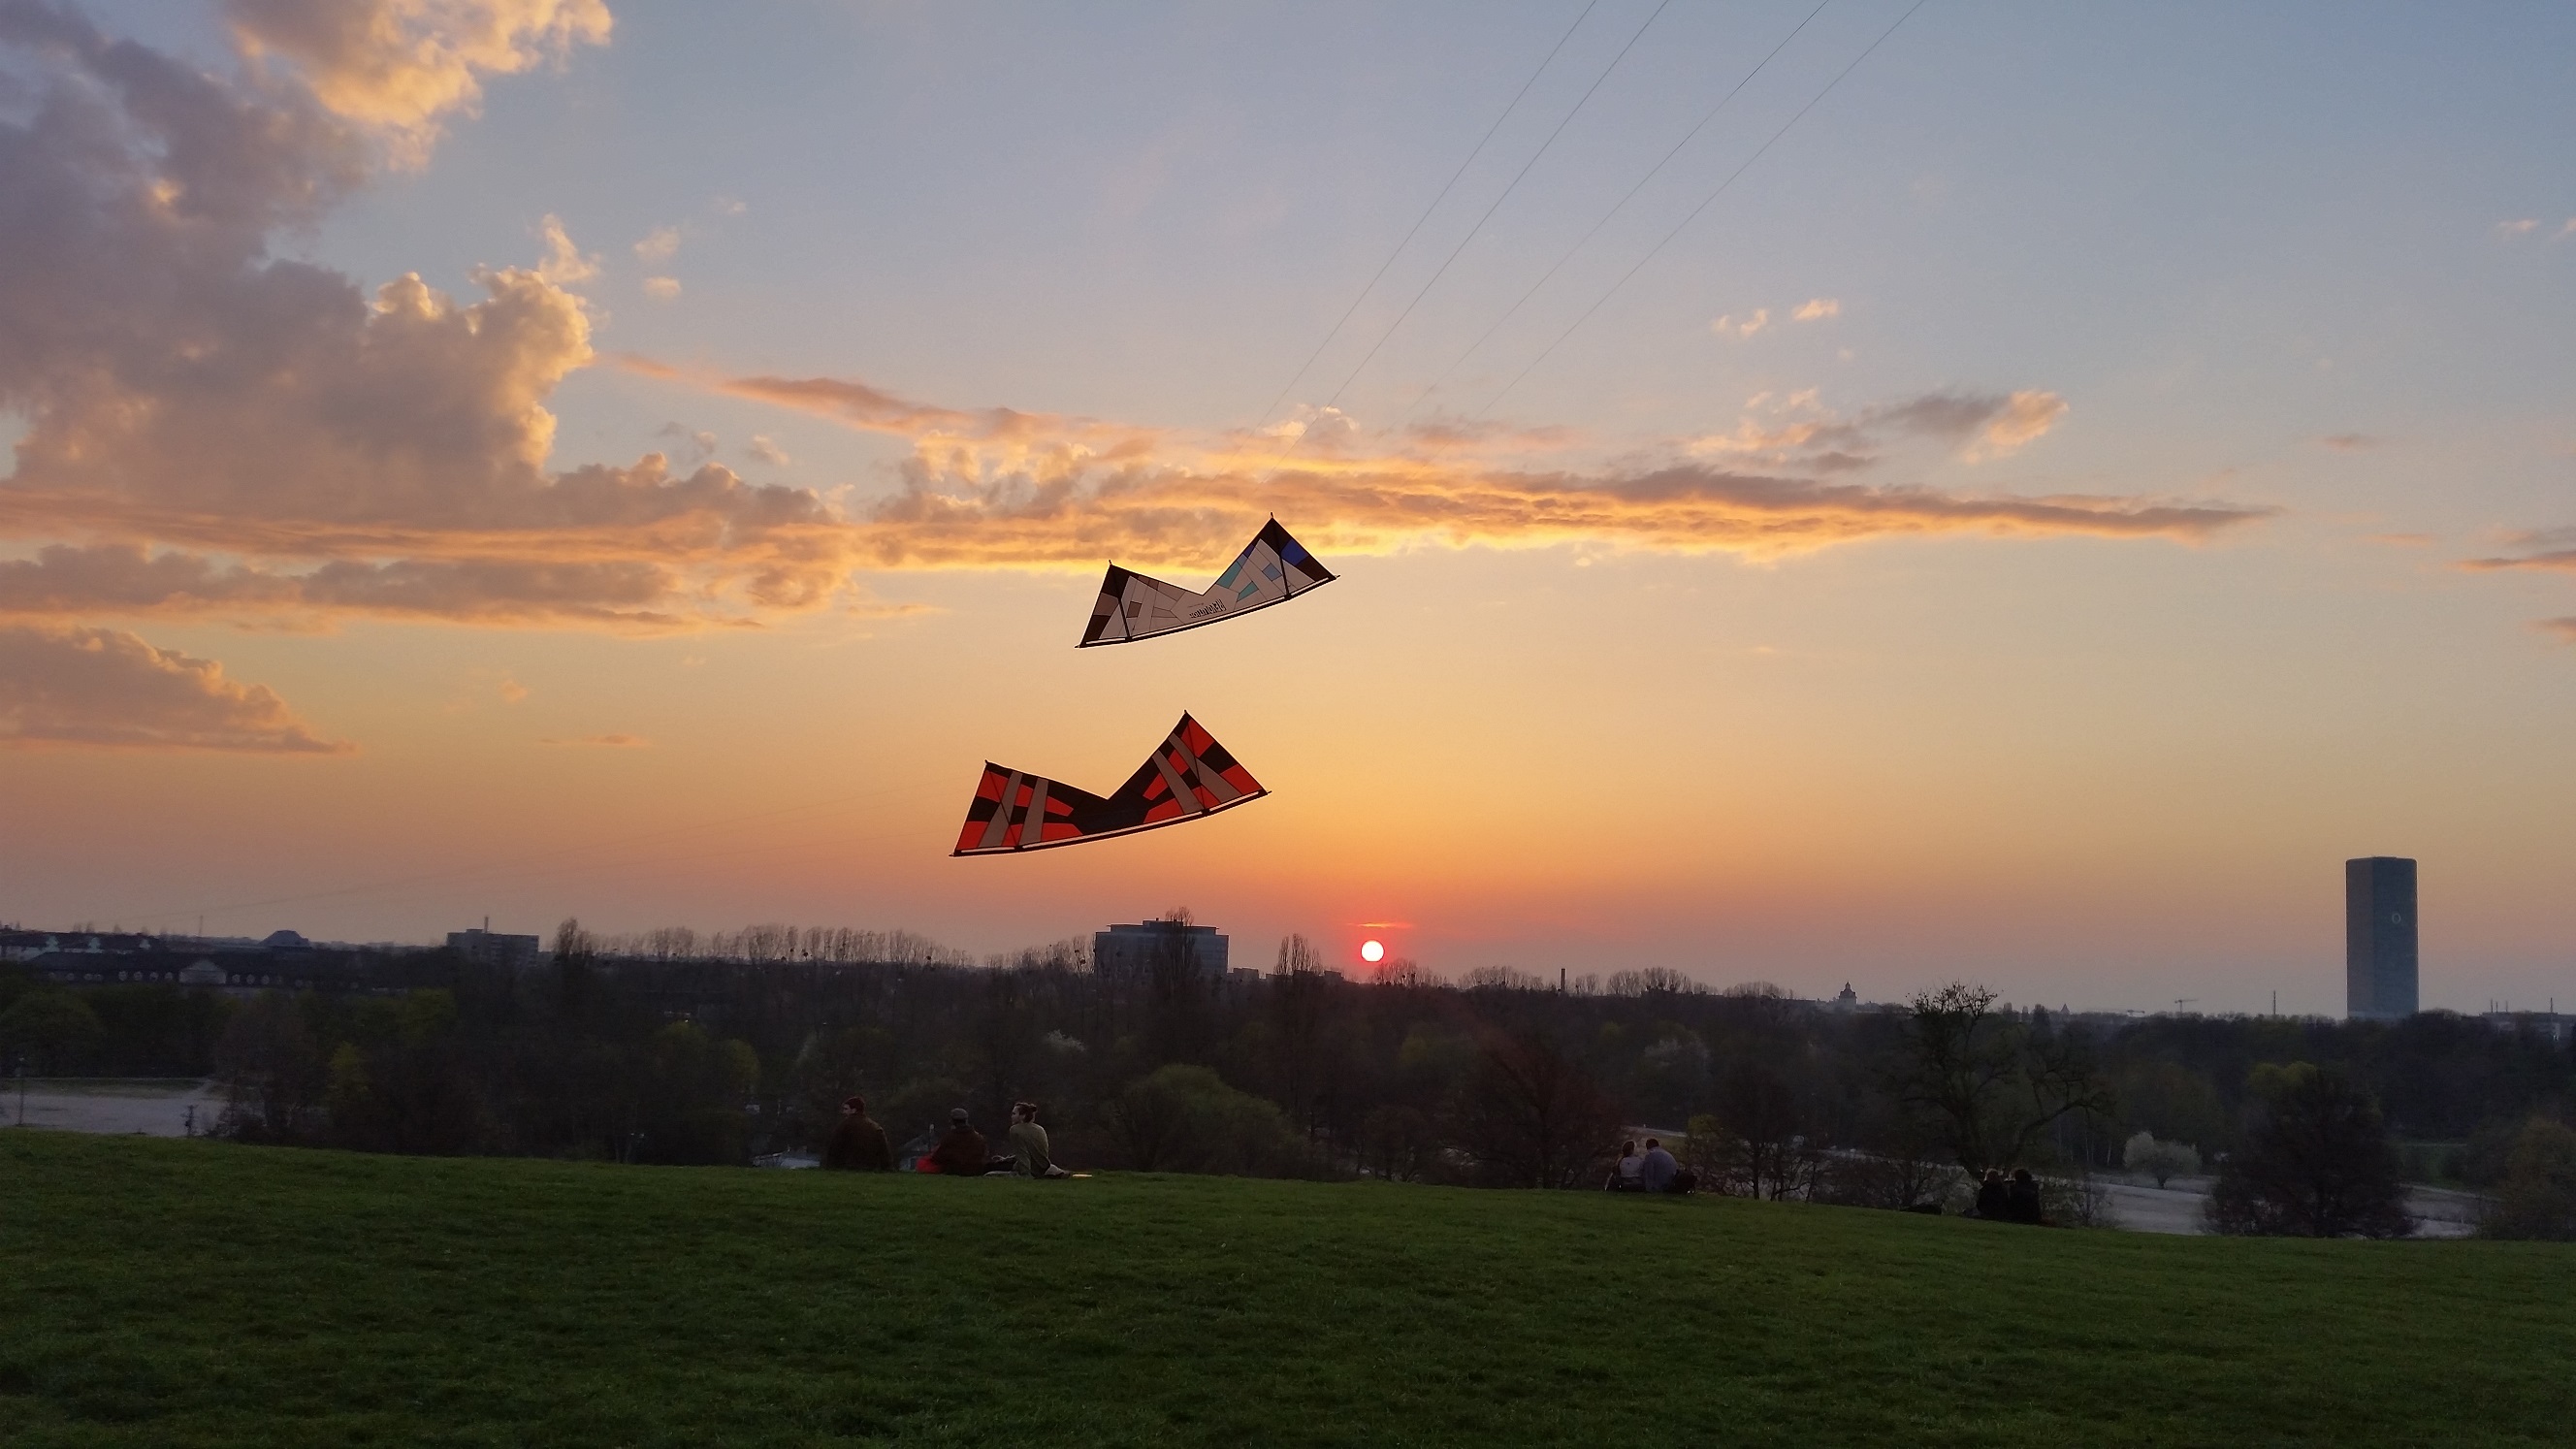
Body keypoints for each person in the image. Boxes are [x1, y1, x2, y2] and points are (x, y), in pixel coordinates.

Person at [821, 1094, 892, 1171]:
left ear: (854, 1110)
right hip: (871, 1169)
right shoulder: (875, 1127)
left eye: (846, 1109)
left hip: (848, 1168)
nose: (843, 1112)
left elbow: (834, 1149)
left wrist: (831, 1167)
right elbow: (884, 1152)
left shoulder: (844, 1125)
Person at [1008, 1100, 1070, 1177]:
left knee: (991, 1170)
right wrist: (1007, 1159)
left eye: (1014, 1114)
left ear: (1023, 1116)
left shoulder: (1015, 1129)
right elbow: (1033, 1151)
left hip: (1031, 1169)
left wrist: (1025, 1174)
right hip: (1043, 1167)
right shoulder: (1040, 1128)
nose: (1011, 1116)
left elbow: (1022, 1154)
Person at [927, 1108, 990, 1175]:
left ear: (953, 1121)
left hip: (955, 1171)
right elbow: (984, 1154)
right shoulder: (979, 1138)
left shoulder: (949, 1138)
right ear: (966, 1120)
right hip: (976, 1171)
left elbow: (937, 1158)